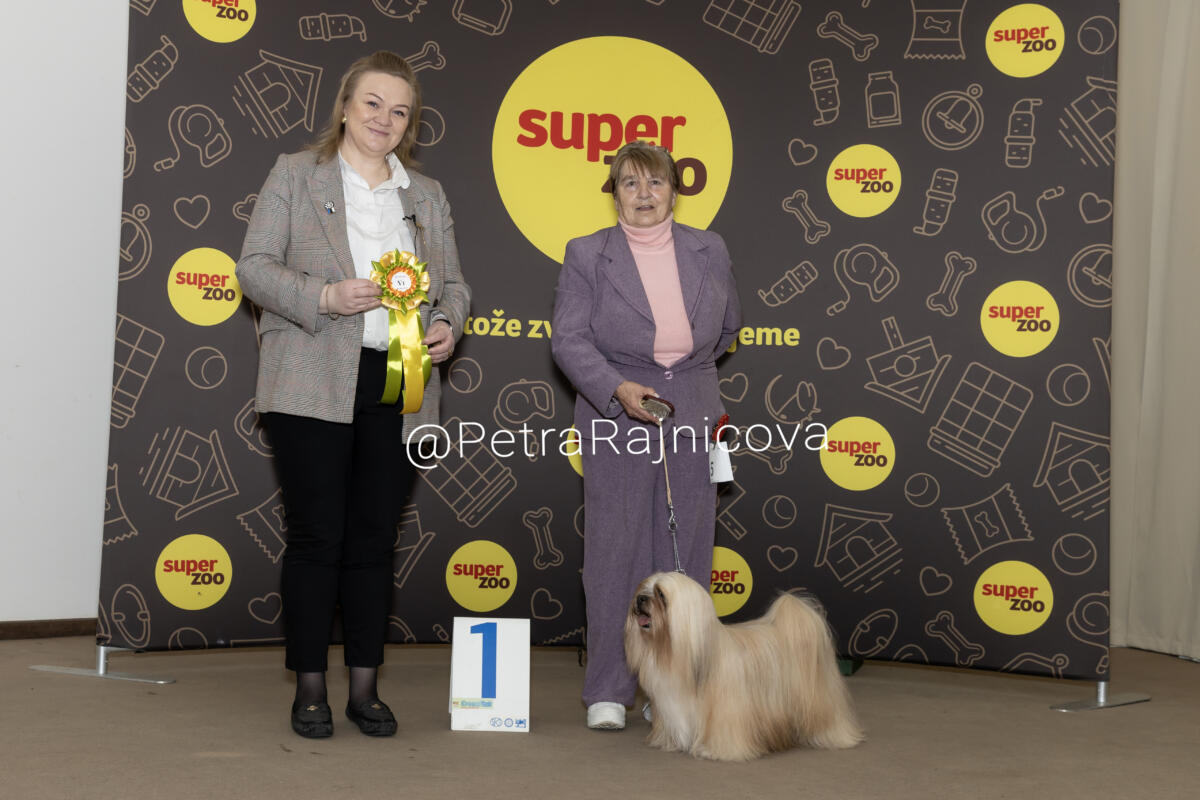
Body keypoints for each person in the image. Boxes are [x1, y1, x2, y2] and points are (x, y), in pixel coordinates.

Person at [236, 51, 470, 739]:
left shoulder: (426, 195)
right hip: (309, 377)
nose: (383, 119)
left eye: (399, 111)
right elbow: (253, 268)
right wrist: (324, 296)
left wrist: (446, 323)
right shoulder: (294, 173)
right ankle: (310, 687)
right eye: (372, 103)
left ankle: (365, 688)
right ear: (344, 106)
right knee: (317, 537)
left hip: (400, 380)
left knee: (374, 539)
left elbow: (453, 284)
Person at [550, 141, 742, 730]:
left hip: (693, 408)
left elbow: (728, 327)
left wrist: (683, 375)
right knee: (615, 551)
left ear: (674, 191)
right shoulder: (587, 253)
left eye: (655, 182)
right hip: (615, 415)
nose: (643, 194)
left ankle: (673, 687)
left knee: (685, 555)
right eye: (629, 183)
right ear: (614, 194)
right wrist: (617, 387)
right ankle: (608, 689)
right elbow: (569, 339)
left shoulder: (710, 248)